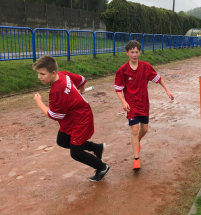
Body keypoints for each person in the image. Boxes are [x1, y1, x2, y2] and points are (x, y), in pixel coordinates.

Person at [32, 55, 109, 182]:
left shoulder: (57, 90)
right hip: (72, 117)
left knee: (76, 153)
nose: (39, 77)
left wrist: (39, 102)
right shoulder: (63, 75)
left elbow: (54, 115)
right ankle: (96, 148)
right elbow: (82, 80)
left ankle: (102, 167)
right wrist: (81, 90)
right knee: (62, 140)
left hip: (81, 119)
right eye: (38, 73)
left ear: (53, 73)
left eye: (42, 74)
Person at [114, 40, 174, 170]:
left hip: (144, 104)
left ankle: (137, 142)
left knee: (144, 130)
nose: (134, 54)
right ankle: (136, 159)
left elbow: (158, 79)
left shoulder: (146, 66)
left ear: (140, 52)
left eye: (136, 52)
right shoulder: (122, 70)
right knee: (134, 130)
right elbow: (118, 89)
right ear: (127, 53)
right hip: (131, 105)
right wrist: (123, 102)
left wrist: (167, 90)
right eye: (132, 52)